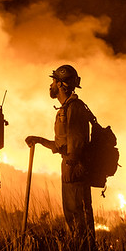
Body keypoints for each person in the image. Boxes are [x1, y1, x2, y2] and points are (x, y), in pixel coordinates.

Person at [25, 64, 96, 239]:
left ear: (60, 84)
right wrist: (39, 140)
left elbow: (77, 142)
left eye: (53, 81)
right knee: (71, 212)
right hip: (69, 165)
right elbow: (61, 145)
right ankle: (78, 248)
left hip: (75, 168)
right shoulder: (66, 109)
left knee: (78, 213)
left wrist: (71, 165)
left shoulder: (74, 108)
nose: (50, 85)